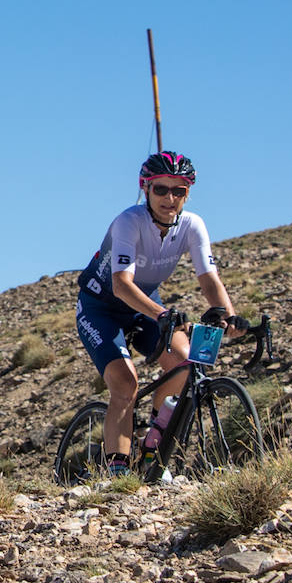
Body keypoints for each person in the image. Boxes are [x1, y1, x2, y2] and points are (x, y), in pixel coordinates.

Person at [75, 151, 248, 479]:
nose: (169, 198)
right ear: (145, 189)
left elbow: (209, 278)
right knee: (125, 384)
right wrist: (163, 313)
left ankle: (154, 445)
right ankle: (118, 472)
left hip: (145, 305)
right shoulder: (129, 221)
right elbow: (122, 284)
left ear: (188, 193)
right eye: (160, 189)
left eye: (178, 191)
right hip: (101, 306)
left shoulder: (193, 225)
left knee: (184, 359)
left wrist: (229, 316)